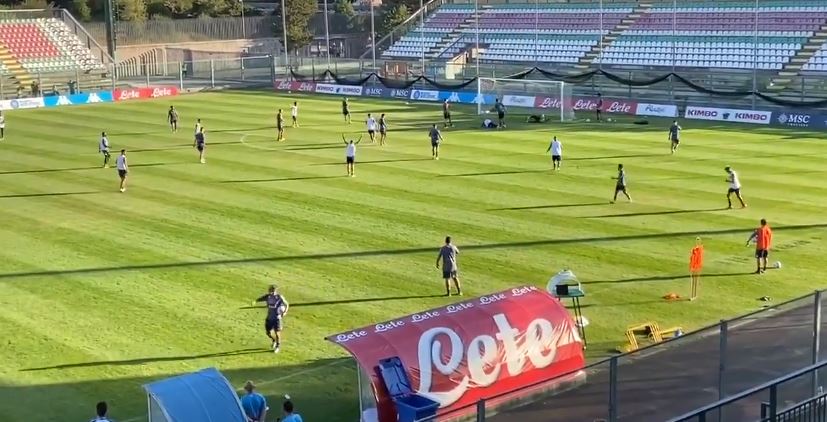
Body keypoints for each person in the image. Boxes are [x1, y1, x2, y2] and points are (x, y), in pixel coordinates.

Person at [253, 284, 289, 353]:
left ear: (275, 291)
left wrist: (285, 312)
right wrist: (256, 301)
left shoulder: (279, 297)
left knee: (277, 333)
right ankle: (274, 340)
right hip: (269, 318)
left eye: (271, 290)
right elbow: (261, 298)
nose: (270, 291)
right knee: (268, 333)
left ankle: (278, 346)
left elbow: (287, 304)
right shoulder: (268, 296)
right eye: (270, 290)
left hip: (277, 318)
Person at [689, 237, 704, 301]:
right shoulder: (696, 250)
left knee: (696, 279)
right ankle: (693, 295)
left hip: (697, 264)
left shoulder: (699, 249)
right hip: (695, 265)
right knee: (694, 278)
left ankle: (695, 294)